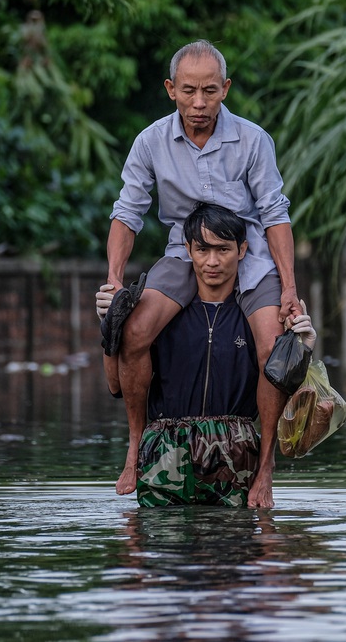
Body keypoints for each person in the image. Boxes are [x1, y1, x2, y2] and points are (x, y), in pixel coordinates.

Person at [102, 39, 301, 508]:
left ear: (225, 89)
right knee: (134, 330)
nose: (199, 103)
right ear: (171, 89)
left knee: (274, 346)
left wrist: (289, 287)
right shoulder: (150, 141)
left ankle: (265, 466)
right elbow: (128, 211)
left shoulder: (253, 140)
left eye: (210, 91)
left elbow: (274, 212)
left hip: (246, 255)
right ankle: (135, 445)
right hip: (182, 253)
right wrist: (113, 279)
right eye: (188, 91)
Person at [96, 203, 314, 507]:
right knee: (159, 545)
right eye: (202, 250)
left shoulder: (257, 320)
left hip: (236, 456)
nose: (212, 262)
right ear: (188, 250)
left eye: (223, 250)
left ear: (242, 250)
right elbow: (116, 386)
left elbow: (297, 407)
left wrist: (301, 348)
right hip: (165, 454)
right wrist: (110, 326)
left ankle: (265, 474)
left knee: (235, 546)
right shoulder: (160, 316)